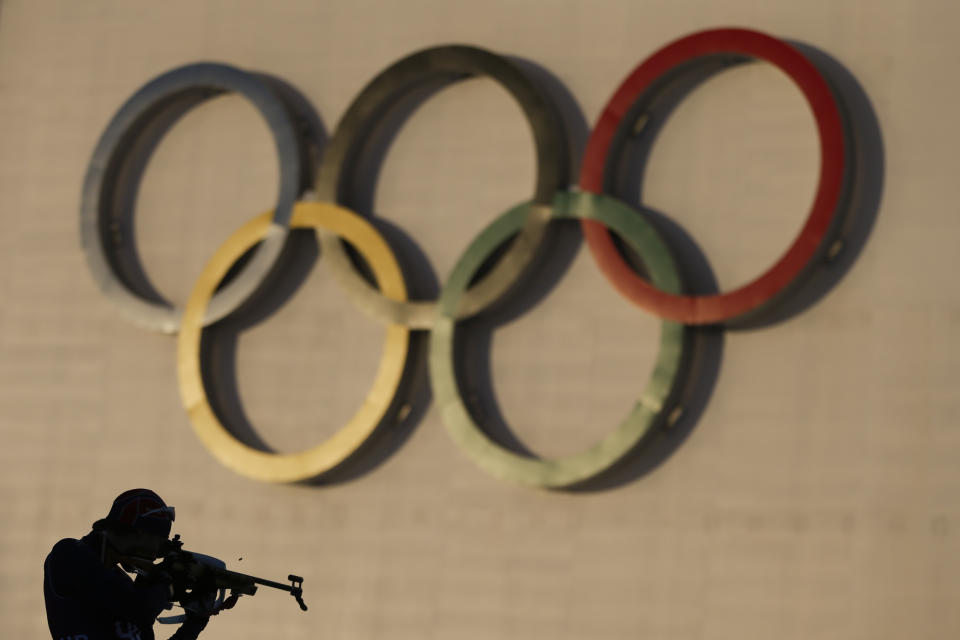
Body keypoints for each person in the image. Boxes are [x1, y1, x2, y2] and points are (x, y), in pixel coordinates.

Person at [43, 489, 225, 640]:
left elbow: (135, 607)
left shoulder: (121, 582)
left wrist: (195, 622)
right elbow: (139, 609)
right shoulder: (69, 553)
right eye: (157, 542)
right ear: (137, 532)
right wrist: (165, 585)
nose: (155, 555)